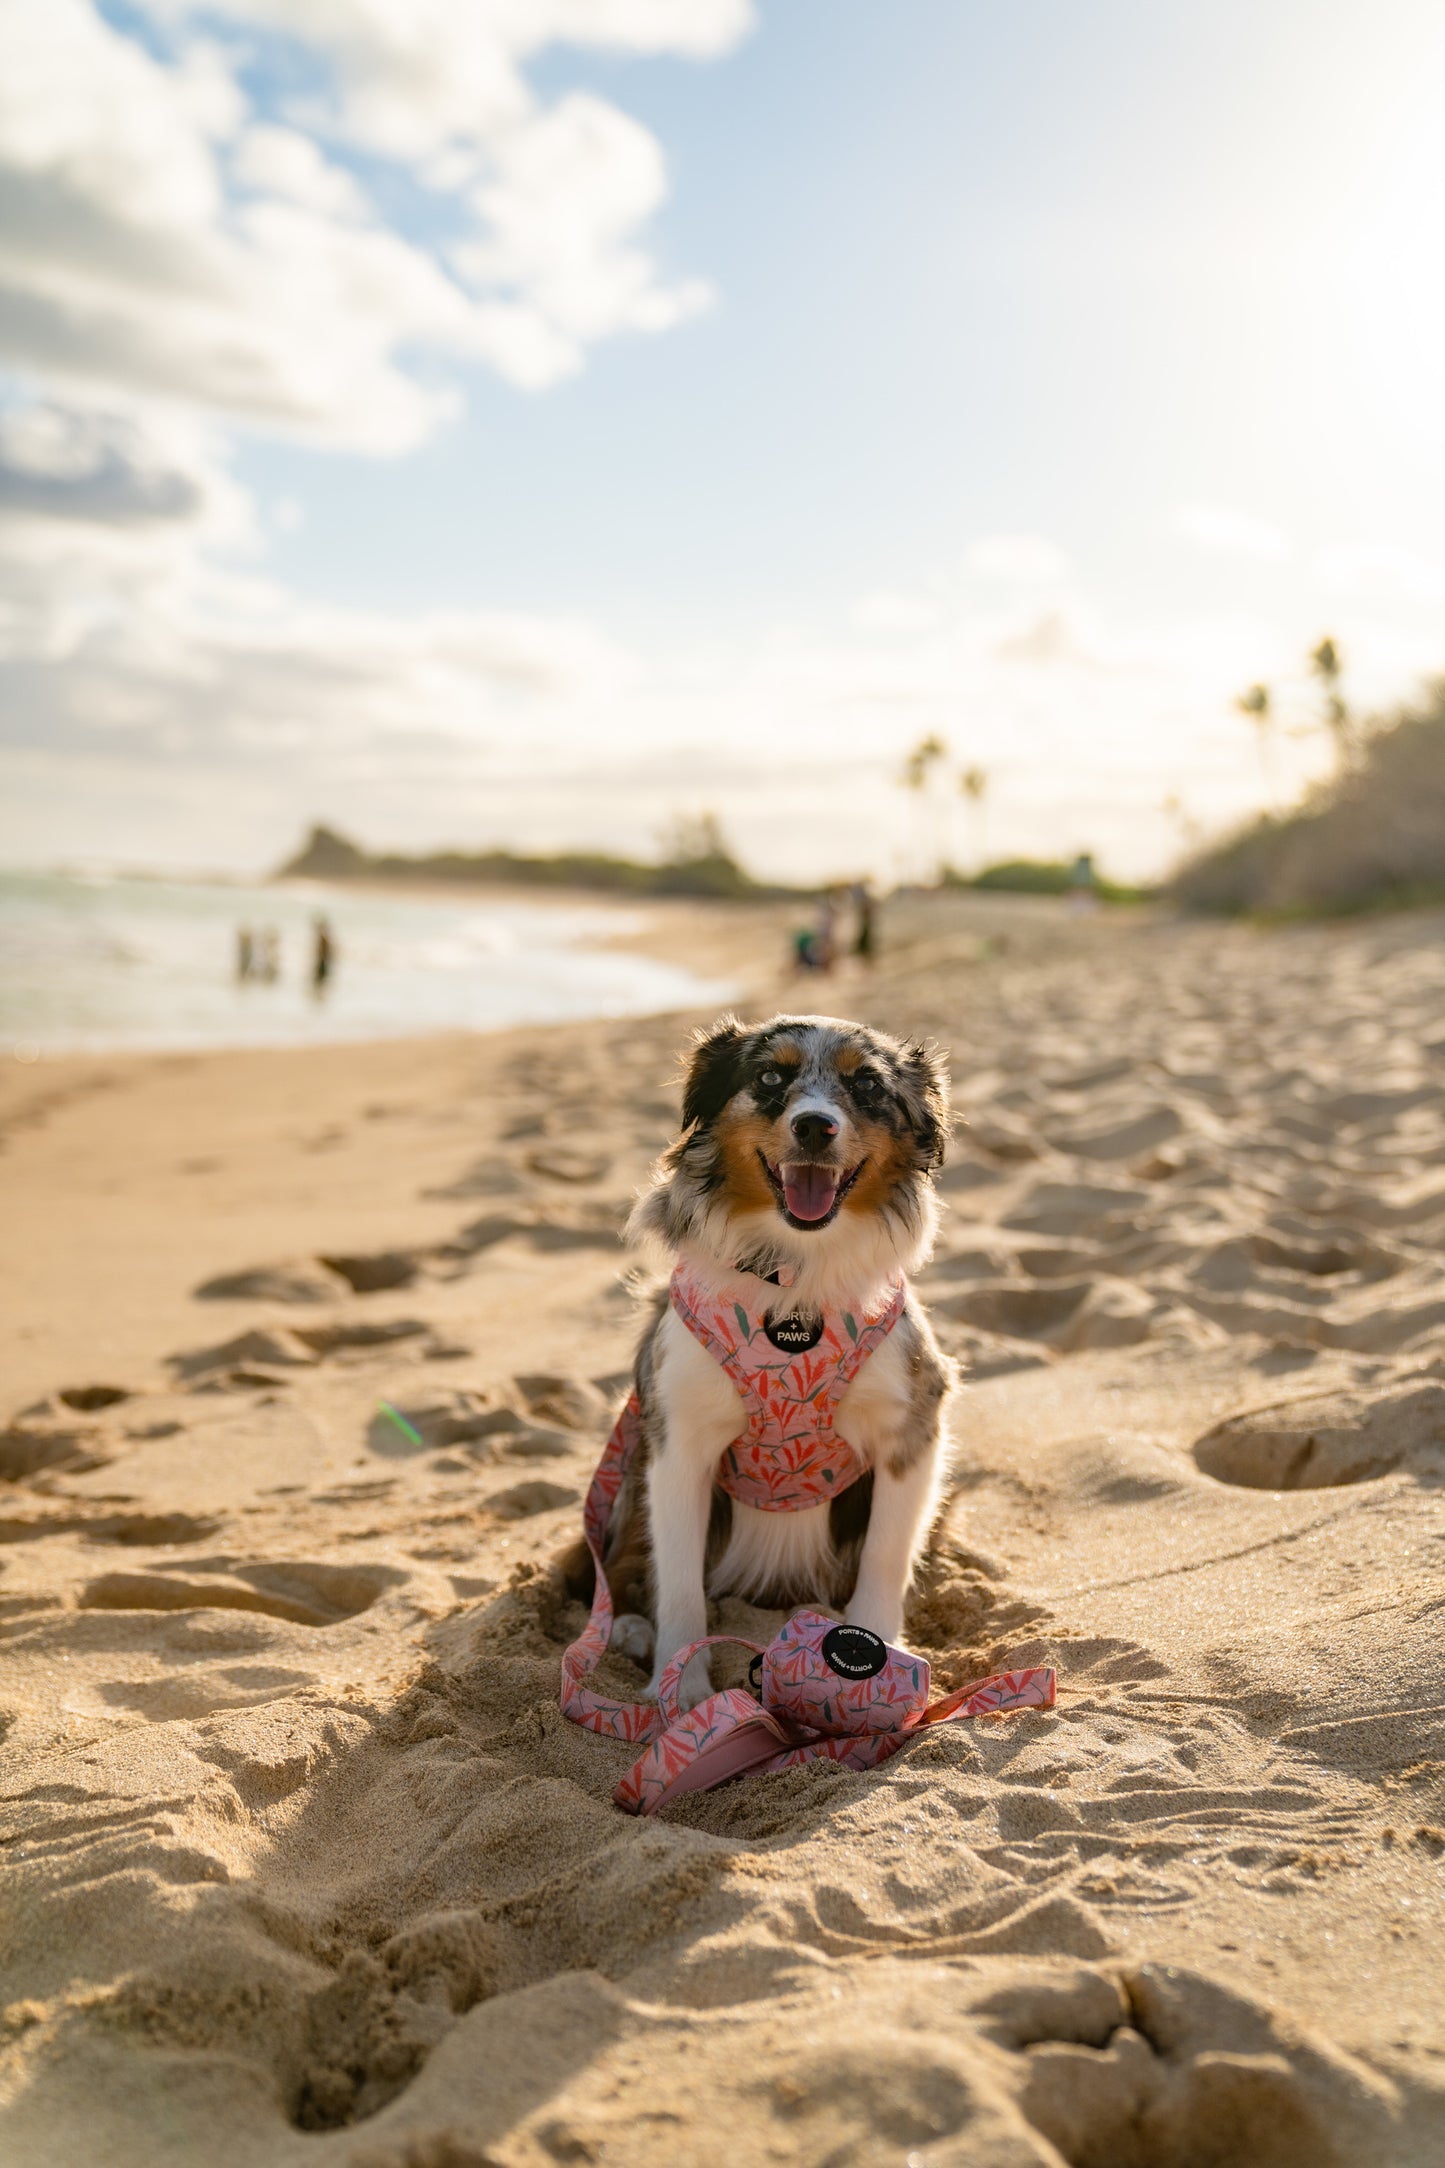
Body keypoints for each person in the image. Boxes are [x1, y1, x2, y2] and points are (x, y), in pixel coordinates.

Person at [851, 879, 876, 965]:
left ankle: (867, 962)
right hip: (864, 928)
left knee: (866, 945)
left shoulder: (865, 902)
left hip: (865, 928)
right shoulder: (864, 902)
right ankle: (866, 962)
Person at [311, 914, 336, 996]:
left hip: (322, 962)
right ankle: (320, 995)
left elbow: (325, 952)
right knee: (320, 981)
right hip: (323, 961)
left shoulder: (323, 938)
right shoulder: (324, 937)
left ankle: (319, 996)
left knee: (319, 981)